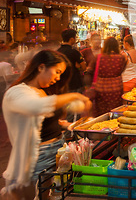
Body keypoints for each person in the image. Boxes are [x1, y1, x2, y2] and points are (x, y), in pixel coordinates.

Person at [1, 50, 91, 200]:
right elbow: (35, 107)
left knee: (53, 194)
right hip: (38, 155)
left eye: (60, 74)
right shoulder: (17, 92)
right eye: (56, 72)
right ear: (41, 67)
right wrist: (74, 96)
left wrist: (67, 125)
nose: (58, 78)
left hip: (57, 150)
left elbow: (43, 120)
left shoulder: (42, 90)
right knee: (35, 195)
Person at [86, 37, 126, 116]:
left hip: (101, 89)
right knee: (116, 111)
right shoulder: (121, 58)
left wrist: (87, 86)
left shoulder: (98, 57)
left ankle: (101, 126)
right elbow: (121, 70)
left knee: (101, 112)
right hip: (117, 89)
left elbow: (89, 71)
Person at [58, 28, 86, 93]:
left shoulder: (58, 51)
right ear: (72, 39)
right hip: (75, 83)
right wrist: (78, 67)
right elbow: (84, 67)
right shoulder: (75, 52)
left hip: (62, 84)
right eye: (75, 38)